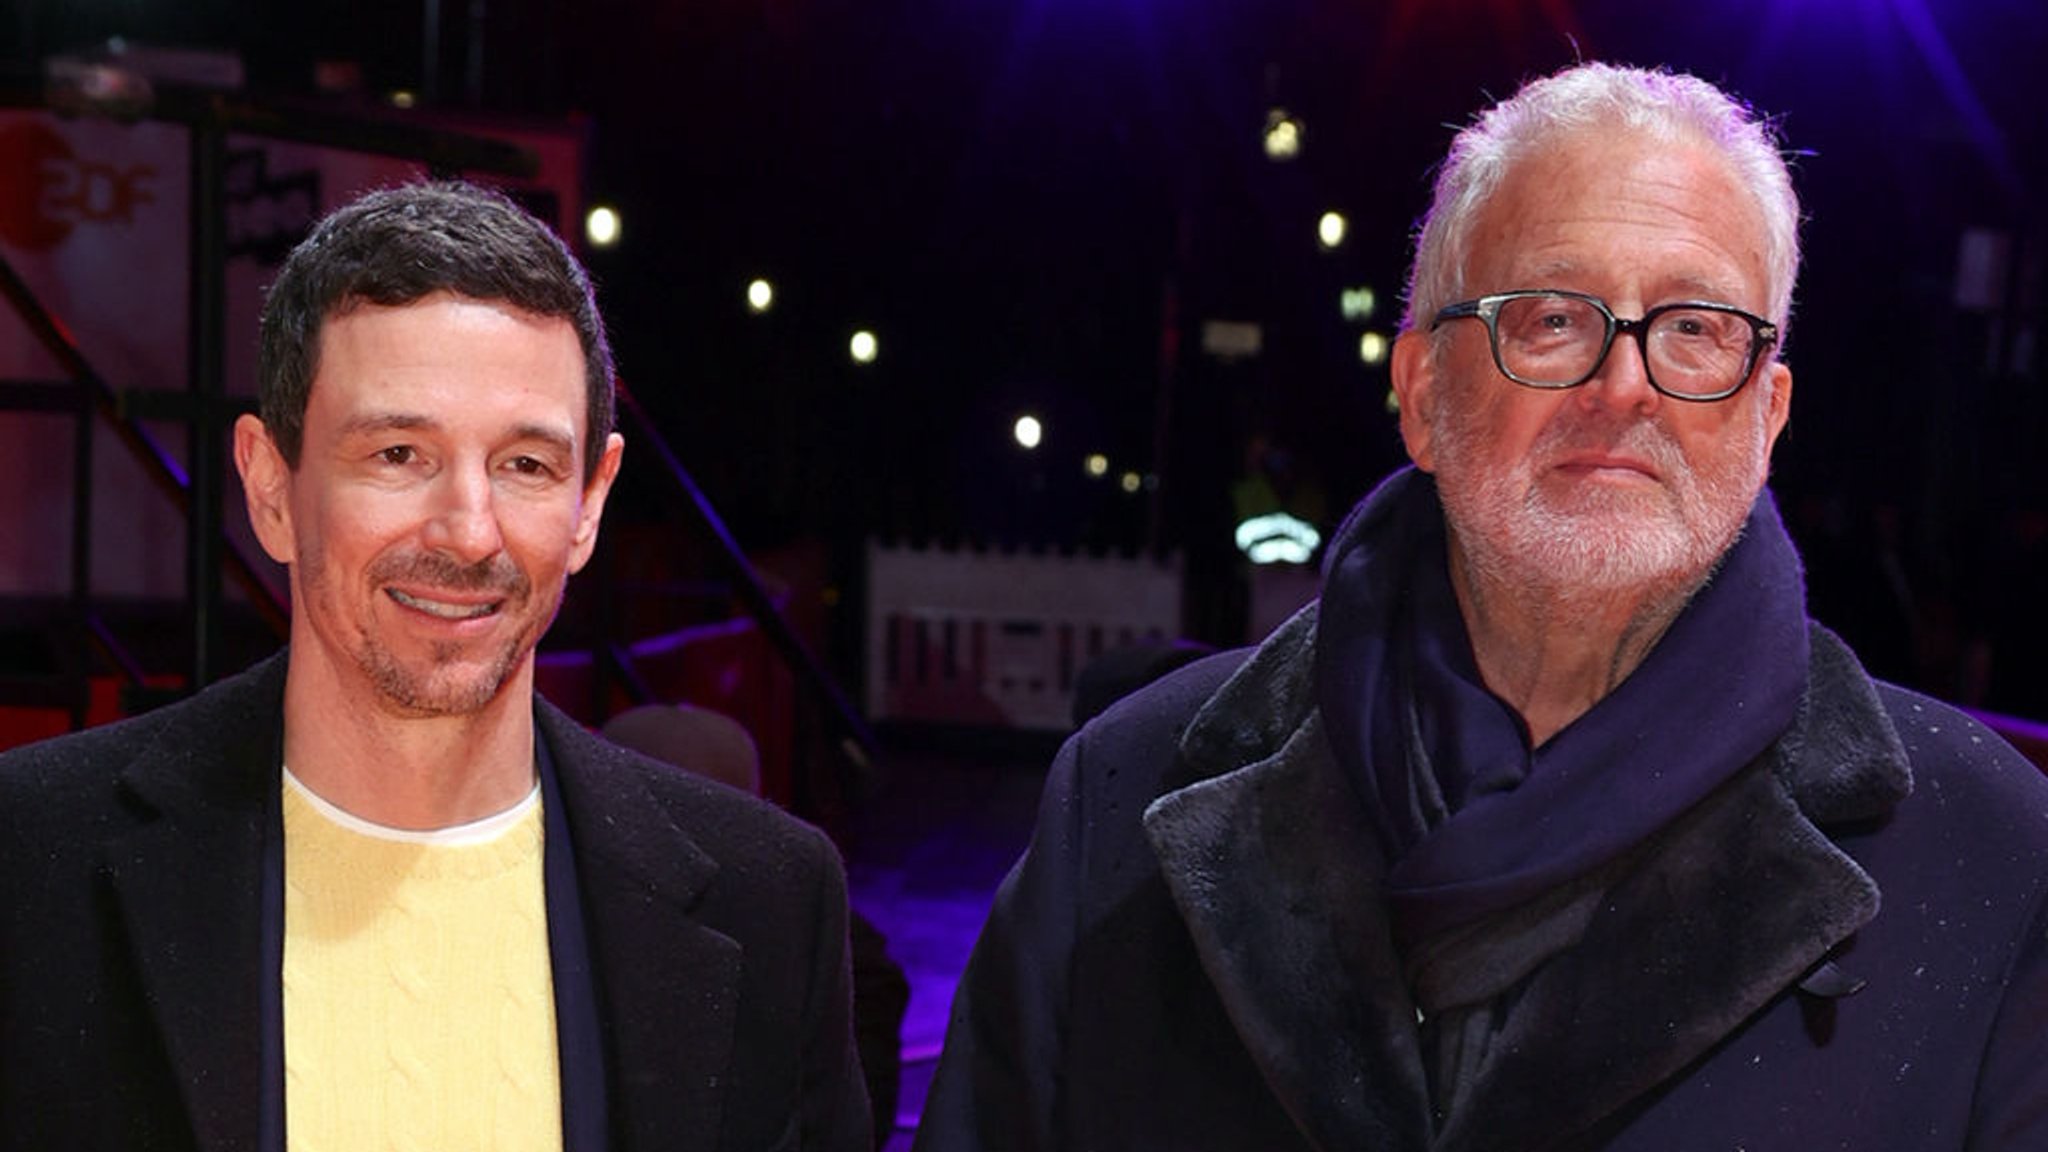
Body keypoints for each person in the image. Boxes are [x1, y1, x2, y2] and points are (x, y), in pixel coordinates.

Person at [913, 62, 2048, 1151]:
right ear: (1419, 394)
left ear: (1766, 415)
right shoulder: (1120, 801)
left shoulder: (1989, 861)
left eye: (1695, 329)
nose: (1622, 385)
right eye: (1550, 318)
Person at [0, 180, 870, 1151]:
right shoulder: (29, 861)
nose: (467, 533)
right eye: (399, 453)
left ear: (590, 503)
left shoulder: (773, 905)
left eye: (525, 466)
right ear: (270, 486)